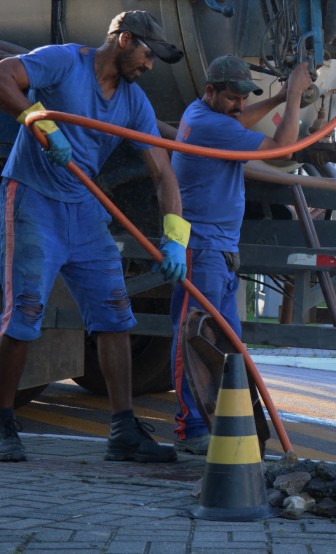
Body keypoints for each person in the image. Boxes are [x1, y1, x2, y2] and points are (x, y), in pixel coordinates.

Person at [0, 11, 190, 463]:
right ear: (124, 40)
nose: (149, 66)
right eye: (147, 54)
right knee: (24, 312)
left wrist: (174, 238)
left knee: (115, 314)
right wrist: (38, 122)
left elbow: (163, 172)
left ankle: (124, 430)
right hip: (33, 198)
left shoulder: (133, 102)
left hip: (84, 210)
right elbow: (4, 75)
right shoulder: (65, 62)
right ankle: (3, 421)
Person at [169, 55, 312, 454]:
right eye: (232, 98)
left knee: (227, 345)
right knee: (193, 337)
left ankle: (226, 424)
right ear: (211, 91)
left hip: (222, 249)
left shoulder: (206, 115)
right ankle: (190, 428)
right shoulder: (208, 125)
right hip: (202, 248)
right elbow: (285, 149)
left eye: (242, 98)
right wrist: (295, 96)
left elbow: (238, 121)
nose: (238, 106)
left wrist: (279, 96)